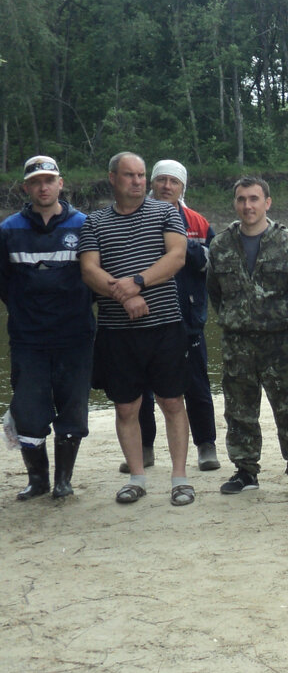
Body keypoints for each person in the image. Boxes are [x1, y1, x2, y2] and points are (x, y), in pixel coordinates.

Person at [79, 152, 194, 506]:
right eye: (129, 175)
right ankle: (137, 476)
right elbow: (88, 270)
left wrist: (138, 283)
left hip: (165, 325)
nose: (138, 181)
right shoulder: (94, 222)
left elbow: (176, 256)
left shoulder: (165, 212)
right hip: (117, 330)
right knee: (126, 407)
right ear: (112, 177)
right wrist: (124, 295)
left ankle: (179, 478)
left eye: (142, 175)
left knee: (172, 401)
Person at [208, 177, 288, 497]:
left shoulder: (286, 242)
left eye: (254, 199)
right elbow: (215, 293)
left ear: (267, 202)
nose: (248, 206)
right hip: (237, 343)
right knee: (239, 410)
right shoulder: (221, 245)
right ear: (235, 204)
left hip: (279, 343)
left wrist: (281, 321)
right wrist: (238, 319)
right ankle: (245, 471)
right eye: (241, 199)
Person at [0, 156, 94, 500]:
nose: (43, 187)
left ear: (61, 183)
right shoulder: (9, 230)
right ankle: (37, 479)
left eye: (49, 180)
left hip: (75, 336)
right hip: (28, 338)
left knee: (73, 408)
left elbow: (95, 278)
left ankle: (63, 481)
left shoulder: (84, 225)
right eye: (36, 181)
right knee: (28, 410)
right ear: (26, 187)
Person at [119, 159, 221, 475]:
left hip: (188, 318)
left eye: (173, 182)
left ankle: (206, 446)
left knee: (197, 385)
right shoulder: (132, 217)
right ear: (151, 183)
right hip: (144, 317)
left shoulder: (198, 222)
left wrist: (180, 246)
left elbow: (211, 263)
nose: (166, 186)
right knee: (142, 388)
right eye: (161, 180)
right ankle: (146, 449)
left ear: (182, 187)